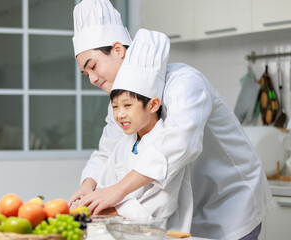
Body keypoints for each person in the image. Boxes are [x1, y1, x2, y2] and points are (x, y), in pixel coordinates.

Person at [68, 0, 274, 239]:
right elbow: (106, 151)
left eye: (92, 66)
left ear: (117, 49)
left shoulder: (184, 82)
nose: (92, 79)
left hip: (230, 203)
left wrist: (116, 191)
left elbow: (180, 144)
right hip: (183, 211)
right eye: (86, 74)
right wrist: (87, 187)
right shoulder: (122, 104)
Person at [81, 29, 193, 231]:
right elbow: (104, 173)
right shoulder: (126, 143)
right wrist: (88, 192)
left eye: (127, 106)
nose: (120, 114)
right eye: (115, 107)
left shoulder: (184, 83)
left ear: (153, 105)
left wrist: (103, 208)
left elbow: (159, 205)